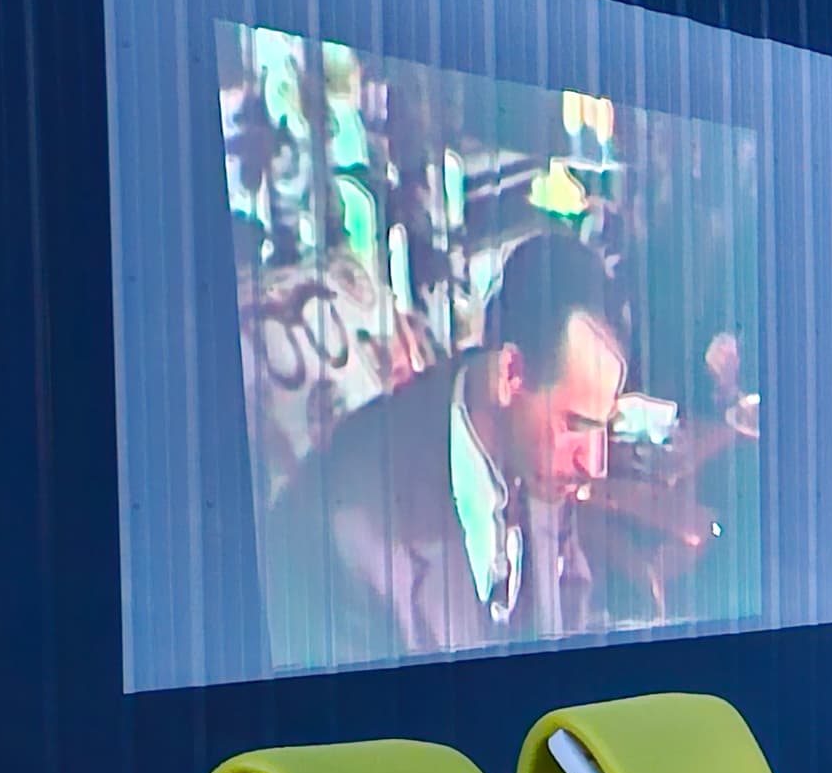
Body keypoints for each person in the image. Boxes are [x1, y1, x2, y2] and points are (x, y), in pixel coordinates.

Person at [263, 226, 627, 666]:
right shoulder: (349, 533)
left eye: (604, 426)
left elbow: (569, 614)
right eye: (576, 424)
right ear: (511, 374)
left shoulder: (540, 459)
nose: (595, 463)